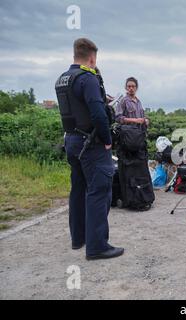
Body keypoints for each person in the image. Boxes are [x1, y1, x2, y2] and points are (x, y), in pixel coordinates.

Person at [55, 38, 124, 259]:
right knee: (99, 192)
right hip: (91, 143)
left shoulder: (63, 79)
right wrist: (107, 139)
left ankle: (79, 239)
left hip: (72, 141)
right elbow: (97, 113)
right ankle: (97, 247)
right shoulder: (88, 78)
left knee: (78, 189)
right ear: (92, 57)